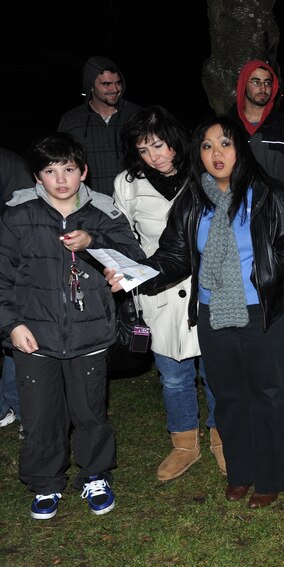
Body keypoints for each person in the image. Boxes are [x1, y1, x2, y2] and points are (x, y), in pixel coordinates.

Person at [106, 117, 284, 508]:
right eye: (206, 146)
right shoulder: (193, 199)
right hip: (211, 311)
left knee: (268, 393)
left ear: (241, 147)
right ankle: (241, 469)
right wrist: (136, 276)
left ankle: (273, 474)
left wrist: (268, 267)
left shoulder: (268, 194)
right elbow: (173, 254)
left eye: (224, 143)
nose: (216, 153)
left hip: (263, 312)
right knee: (229, 394)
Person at [0, 132, 145, 519]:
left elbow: (133, 257)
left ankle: (95, 474)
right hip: (35, 337)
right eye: (50, 171)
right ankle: (45, 483)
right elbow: (1, 277)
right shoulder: (17, 216)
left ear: (83, 171)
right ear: (37, 177)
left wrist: (93, 242)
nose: (60, 179)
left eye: (68, 169)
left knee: (89, 410)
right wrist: (11, 324)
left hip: (90, 333)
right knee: (40, 415)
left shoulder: (104, 213)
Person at [114, 105, 225, 481]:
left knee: (216, 371)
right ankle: (184, 443)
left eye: (159, 145)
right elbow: (123, 239)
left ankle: (222, 439)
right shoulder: (127, 184)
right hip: (159, 294)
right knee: (173, 375)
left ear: (174, 141)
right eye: (144, 150)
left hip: (207, 289)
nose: (154, 157)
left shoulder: (204, 173)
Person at [228, 59, 284, 367]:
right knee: (239, 282)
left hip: (280, 222)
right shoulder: (225, 127)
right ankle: (243, 342)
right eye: (255, 81)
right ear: (243, 86)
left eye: (268, 83)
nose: (262, 88)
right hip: (235, 221)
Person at [58, 56, 141, 195]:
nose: (115, 89)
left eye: (118, 83)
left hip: (134, 200)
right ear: (91, 86)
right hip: (90, 204)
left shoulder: (137, 115)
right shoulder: (71, 121)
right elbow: (61, 165)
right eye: (107, 84)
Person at [0, 146, 31, 431]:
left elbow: (22, 214)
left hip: (7, 259)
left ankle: (22, 408)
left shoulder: (8, 163)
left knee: (14, 334)